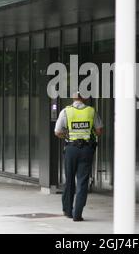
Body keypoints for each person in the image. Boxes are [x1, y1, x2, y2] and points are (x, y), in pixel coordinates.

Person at [54, 91, 103, 221]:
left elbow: (57, 132)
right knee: (82, 181)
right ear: (84, 98)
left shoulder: (66, 111)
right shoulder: (91, 111)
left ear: (73, 98)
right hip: (87, 149)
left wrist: (67, 135)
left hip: (71, 149)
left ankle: (68, 210)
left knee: (69, 179)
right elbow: (99, 131)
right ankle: (77, 214)